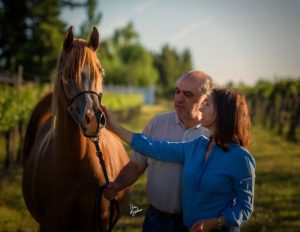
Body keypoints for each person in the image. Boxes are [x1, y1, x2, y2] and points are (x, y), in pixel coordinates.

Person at [103, 88, 255, 232]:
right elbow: (154, 148)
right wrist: (114, 126)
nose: (201, 108)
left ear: (223, 113)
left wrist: (215, 223)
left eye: (207, 104)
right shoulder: (197, 146)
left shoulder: (241, 158)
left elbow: (244, 207)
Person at [104, 70, 213, 232]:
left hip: (197, 225)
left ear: (206, 100)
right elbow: (136, 165)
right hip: (156, 220)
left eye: (187, 94)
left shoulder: (212, 134)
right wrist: (118, 184)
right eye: (177, 92)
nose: (178, 99)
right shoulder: (157, 123)